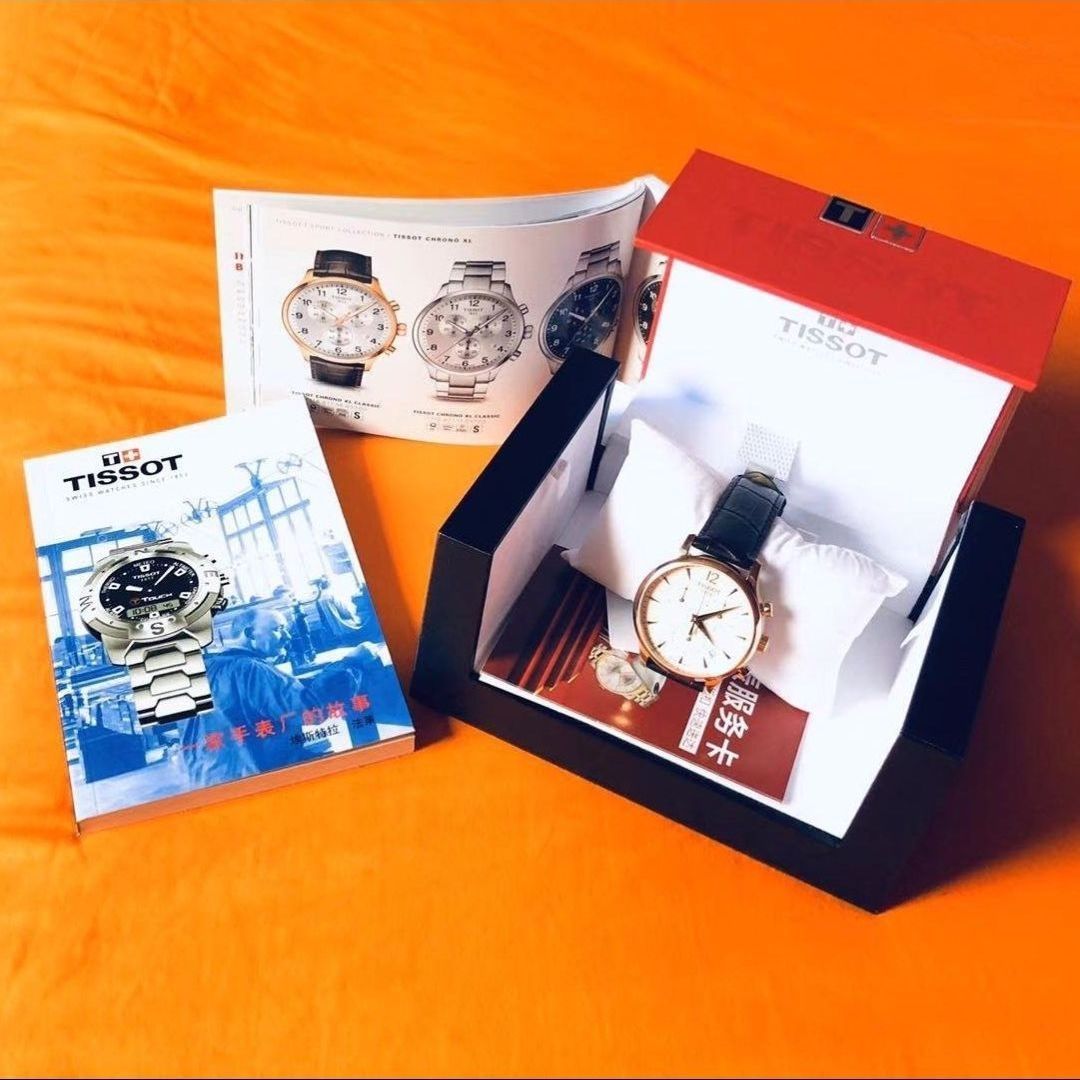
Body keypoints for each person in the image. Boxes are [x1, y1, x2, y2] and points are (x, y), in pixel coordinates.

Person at [179, 607, 377, 788]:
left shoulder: (206, 668)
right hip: (256, 775)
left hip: (208, 778)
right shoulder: (250, 669)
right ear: (251, 634)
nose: (287, 636)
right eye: (278, 629)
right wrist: (351, 662)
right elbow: (311, 709)